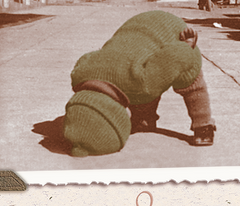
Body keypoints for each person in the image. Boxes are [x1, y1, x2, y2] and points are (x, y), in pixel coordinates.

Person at [63, 10, 216, 157]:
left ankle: (203, 125)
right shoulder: (79, 75)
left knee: (190, 84)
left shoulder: (143, 84)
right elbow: (86, 57)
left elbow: (173, 58)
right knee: (141, 85)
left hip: (172, 32)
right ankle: (145, 118)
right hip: (134, 27)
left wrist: (185, 46)